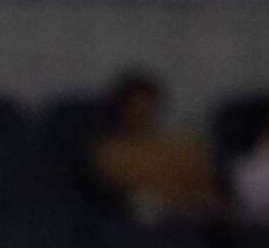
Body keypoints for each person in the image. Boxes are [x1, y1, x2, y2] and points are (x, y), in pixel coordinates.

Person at [90, 70, 217, 224]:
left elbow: (206, 192)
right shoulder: (109, 153)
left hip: (186, 222)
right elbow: (114, 199)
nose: (140, 114)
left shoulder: (182, 150)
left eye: (146, 107)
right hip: (131, 226)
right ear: (122, 110)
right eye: (134, 108)